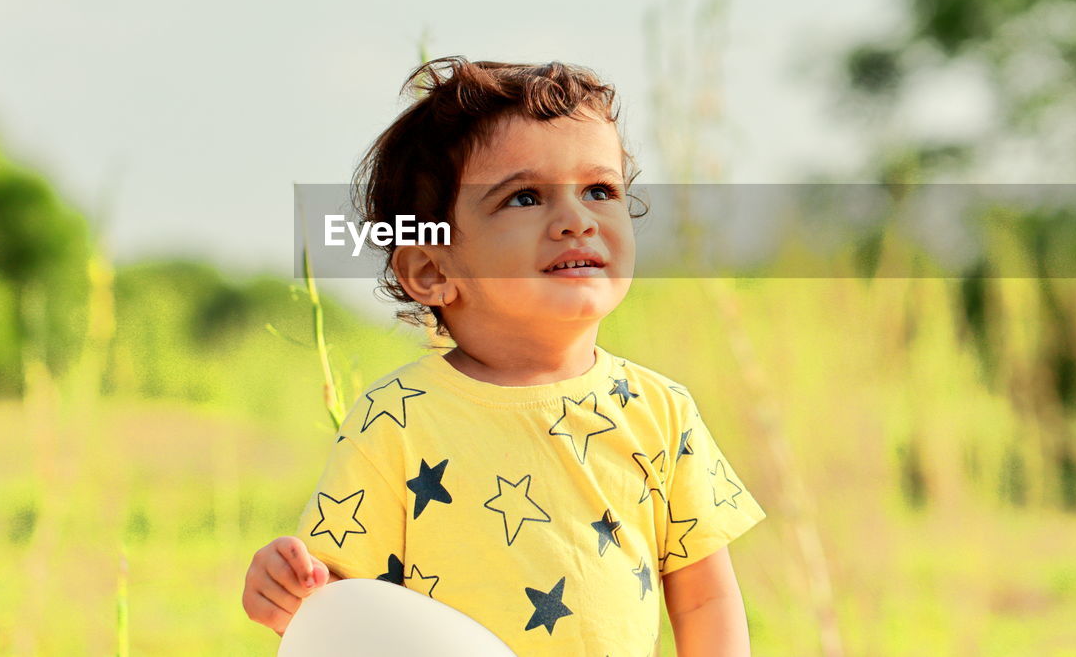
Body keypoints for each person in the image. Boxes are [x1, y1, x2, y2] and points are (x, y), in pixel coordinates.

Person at [242, 56, 767, 655]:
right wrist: (290, 590)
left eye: (600, 190)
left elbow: (705, 599)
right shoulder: (398, 418)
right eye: (524, 198)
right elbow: (346, 608)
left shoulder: (662, 411)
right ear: (430, 267)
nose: (576, 220)